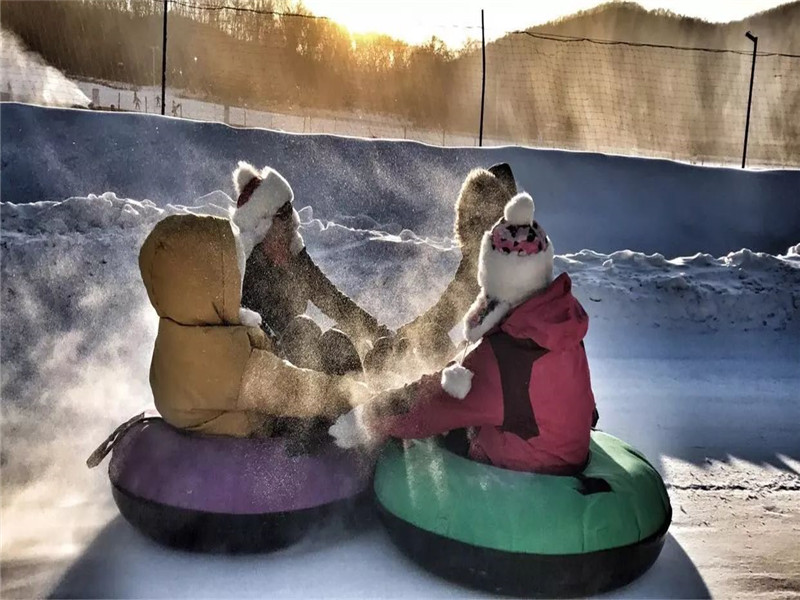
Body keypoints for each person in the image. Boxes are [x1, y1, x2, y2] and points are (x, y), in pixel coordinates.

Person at [330, 191, 599, 475]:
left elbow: (431, 407)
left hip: (525, 467)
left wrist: (367, 417)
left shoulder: (506, 358)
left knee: (427, 438)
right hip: (559, 448)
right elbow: (586, 410)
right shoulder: (559, 326)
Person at [138, 208, 369, 439]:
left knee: (304, 329)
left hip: (245, 400)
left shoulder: (177, 332)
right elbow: (295, 390)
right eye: (230, 271)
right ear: (206, 282)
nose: (237, 276)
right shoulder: (228, 360)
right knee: (336, 345)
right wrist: (358, 393)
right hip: (271, 426)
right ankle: (366, 429)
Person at [234, 161, 390, 377]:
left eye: (291, 209)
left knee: (339, 339)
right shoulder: (246, 269)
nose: (292, 220)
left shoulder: (296, 259)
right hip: (272, 370)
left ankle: (358, 399)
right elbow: (251, 332)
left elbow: (331, 298)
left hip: (305, 360)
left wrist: (375, 331)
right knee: (303, 329)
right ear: (264, 225)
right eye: (284, 213)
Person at [364, 163, 518, 376]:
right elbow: (448, 308)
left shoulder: (496, 260)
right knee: (427, 337)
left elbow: (450, 316)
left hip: (497, 372)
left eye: (470, 220)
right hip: (497, 362)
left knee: (429, 340)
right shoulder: (505, 251)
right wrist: (405, 334)